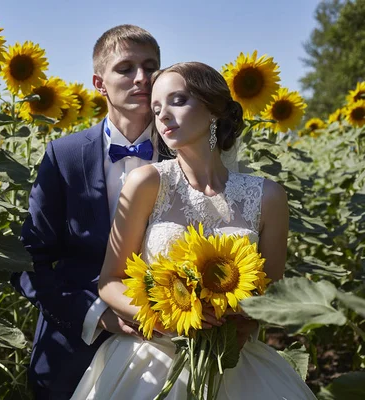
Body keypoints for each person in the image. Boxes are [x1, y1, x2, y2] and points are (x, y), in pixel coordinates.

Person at [71, 62, 317, 399]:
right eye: (156, 108)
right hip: (150, 359)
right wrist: (165, 318)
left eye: (178, 101)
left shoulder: (269, 197)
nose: (164, 115)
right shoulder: (146, 183)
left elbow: (270, 297)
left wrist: (239, 321)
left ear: (214, 109)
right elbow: (109, 282)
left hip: (233, 364)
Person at [10, 25, 164, 399]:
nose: (141, 78)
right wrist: (96, 315)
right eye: (125, 68)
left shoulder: (185, 153)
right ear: (99, 82)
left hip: (168, 343)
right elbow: (28, 259)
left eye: (150, 67)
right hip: (75, 348)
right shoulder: (64, 156)